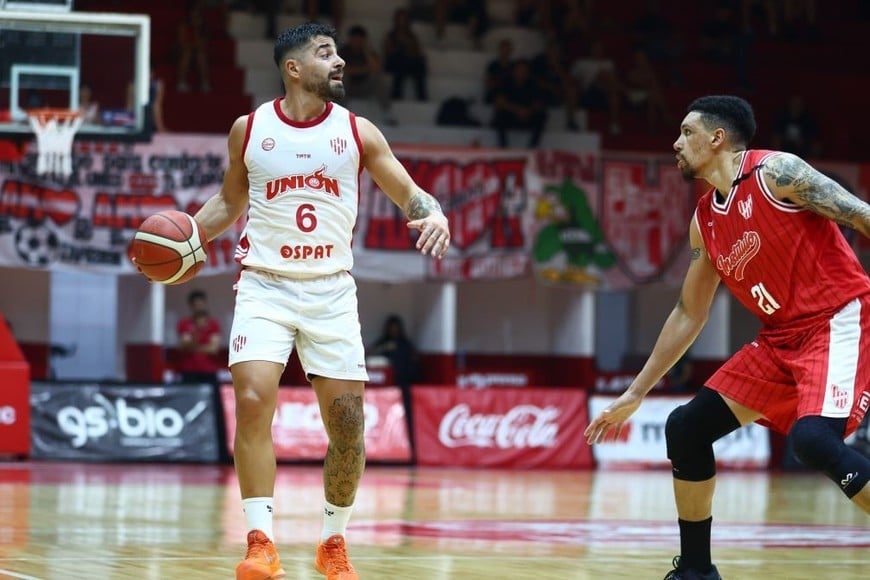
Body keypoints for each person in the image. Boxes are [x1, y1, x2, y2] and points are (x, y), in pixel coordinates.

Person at [189, 21, 450, 580]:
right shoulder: (250, 128)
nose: (340, 63)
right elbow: (228, 202)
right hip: (264, 284)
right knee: (255, 400)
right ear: (293, 68)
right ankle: (261, 542)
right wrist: (185, 237)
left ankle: (333, 541)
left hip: (331, 290)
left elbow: (410, 193)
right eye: (326, 54)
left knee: (349, 425)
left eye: (338, 54)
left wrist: (434, 213)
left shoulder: (358, 132)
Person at [585, 95, 870, 580]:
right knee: (686, 428)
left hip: (837, 319)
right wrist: (636, 393)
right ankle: (696, 571)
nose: (676, 144)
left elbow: (862, 215)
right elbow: (687, 312)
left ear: (717, 138)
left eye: (686, 132)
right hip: (780, 339)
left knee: (813, 441)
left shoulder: (779, 173)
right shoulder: (705, 221)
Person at [176, 289, 222, 385]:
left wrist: (194, 348)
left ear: (205, 303)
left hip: (209, 370)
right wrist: (196, 332)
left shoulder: (213, 324)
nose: (198, 307)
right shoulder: (184, 323)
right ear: (191, 306)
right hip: (189, 371)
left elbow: (213, 349)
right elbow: (184, 347)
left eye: (200, 304)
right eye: (195, 305)